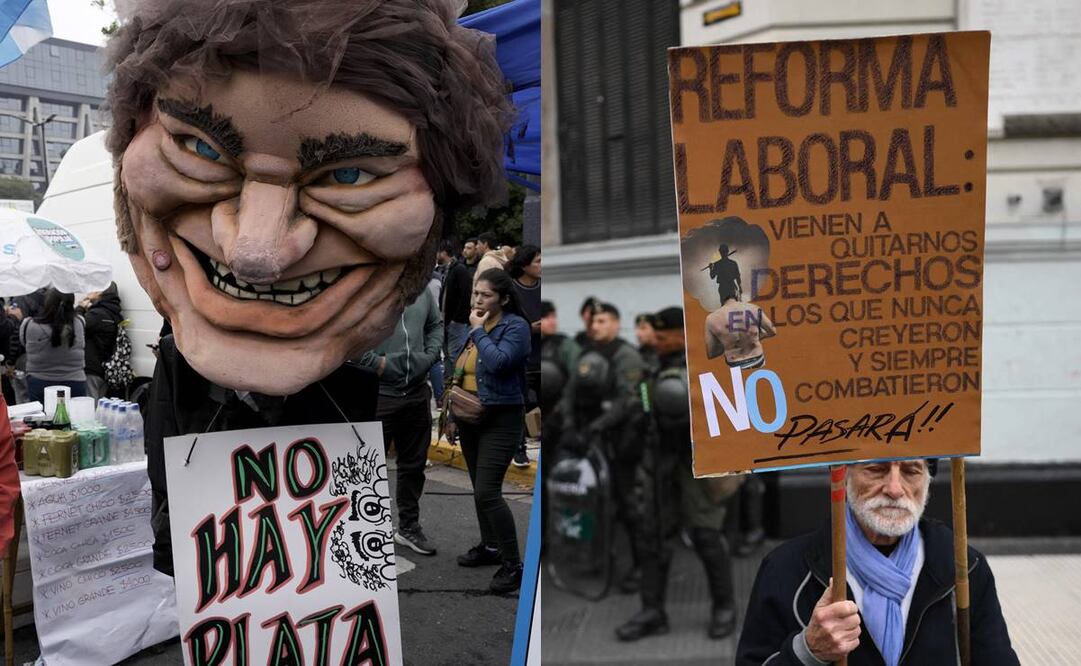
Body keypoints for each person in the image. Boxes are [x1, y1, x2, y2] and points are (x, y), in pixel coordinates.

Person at [104, 0, 514, 575]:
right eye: (198, 148)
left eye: (350, 175)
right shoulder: (174, 379)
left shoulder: (350, 390)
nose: (255, 253)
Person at [736, 459, 1019, 665]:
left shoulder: (963, 568)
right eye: (876, 469)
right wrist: (808, 651)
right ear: (843, 475)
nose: (895, 489)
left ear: (927, 483)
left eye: (910, 471)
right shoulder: (787, 570)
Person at [617, 307, 742, 641]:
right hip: (660, 463)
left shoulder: (705, 362)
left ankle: (724, 607)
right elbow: (640, 402)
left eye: (662, 335)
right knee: (652, 538)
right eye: (653, 336)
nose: (655, 341)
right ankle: (652, 611)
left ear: (679, 334)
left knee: (706, 536)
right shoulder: (652, 364)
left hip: (696, 465)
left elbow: (725, 412)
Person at [560, 301, 648, 592]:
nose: (595, 326)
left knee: (628, 505)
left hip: (618, 443)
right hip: (588, 441)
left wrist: (597, 427)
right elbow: (570, 392)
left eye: (602, 321)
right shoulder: (588, 353)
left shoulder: (626, 356)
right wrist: (571, 426)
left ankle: (640, 567)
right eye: (593, 322)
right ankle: (598, 559)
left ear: (615, 323)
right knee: (590, 502)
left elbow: (629, 400)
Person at [453, 268, 530, 594]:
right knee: (478, 487)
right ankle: (490, 546)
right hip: (471, 417)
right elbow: (461, 365)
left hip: (501, 418)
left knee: (487, 491)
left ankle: (513, 565)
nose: (478, 299)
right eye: (476, 293)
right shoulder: (474, 326)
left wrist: (479, 332)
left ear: (504, 298)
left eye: (485, 294)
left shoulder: (516, 327)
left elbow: (499, 363)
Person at [352, 287, 443, 556]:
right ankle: (364, 533)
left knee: (413, 466)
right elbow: (348, 336)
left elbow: (435, 325)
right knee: (367, 470)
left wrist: (427, 357)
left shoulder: (423, 291)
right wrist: (376, 364)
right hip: (378, 394)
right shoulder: (368, 289)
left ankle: (408, 528)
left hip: (416, 394)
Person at [20, 289, 87, 403]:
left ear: (47, 302)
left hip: (39, 382)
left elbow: (23, 343)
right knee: (75, 418)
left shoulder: (29, 325)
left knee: (42, 418)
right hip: (75, 381)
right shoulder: (79, 323)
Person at [508, 244, 541, 467]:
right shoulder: (511, 290)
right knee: (519, 405)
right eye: (538, 261)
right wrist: (531, 329)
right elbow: (506, 325)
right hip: (523, 358)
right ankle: (519, 450)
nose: (542, 265)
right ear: (524, 264)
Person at [705, 290, 777, 368]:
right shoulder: (754, 308)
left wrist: (728, 343)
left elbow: (711, 353)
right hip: (757, 359)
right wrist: (754, 338)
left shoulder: (711, 318)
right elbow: (772, 331)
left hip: (734, 363)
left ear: (720, 297)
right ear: (737, 294)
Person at [79, 282, 123, 399]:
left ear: (100, 292)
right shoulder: (114, 312)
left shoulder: (96, 314)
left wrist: (80, 309)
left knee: (89, 409)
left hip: (91, 369)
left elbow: (75, 327)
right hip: (105, 368)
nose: (88, 291)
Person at [442, 238, 475, 389]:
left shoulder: (458, 269)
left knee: (456, 355)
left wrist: (457, 319)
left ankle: (459, 387)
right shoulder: (450, 269)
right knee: (448, 356)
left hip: (457, 322)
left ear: (444, 252)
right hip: (449, 321)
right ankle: (450, 387)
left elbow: (465, 296)